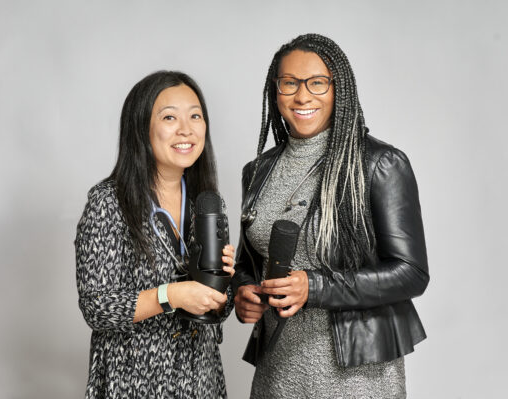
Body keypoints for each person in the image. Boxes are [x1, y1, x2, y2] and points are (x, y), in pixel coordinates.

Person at [232, 33, 429, 398]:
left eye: (317, 83)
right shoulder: (257, 171)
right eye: (289, 83)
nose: (302, 96)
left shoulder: (379, 165)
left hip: (356, 376)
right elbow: (249, 260)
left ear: (339, 89)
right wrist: (242, 289)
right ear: (275, 92)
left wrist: (314, 286)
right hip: (277, 372)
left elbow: (411, 273)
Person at [75, 71, 235, 398]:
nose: (186, 129)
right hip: (133, 382)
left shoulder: (208, 203)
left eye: (195, 116)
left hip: (199, 381)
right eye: (169, 117)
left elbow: (218, 308)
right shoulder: (109, 202)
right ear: (141, 129)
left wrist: (220, 287)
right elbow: (98, 307)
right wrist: (171, 295)